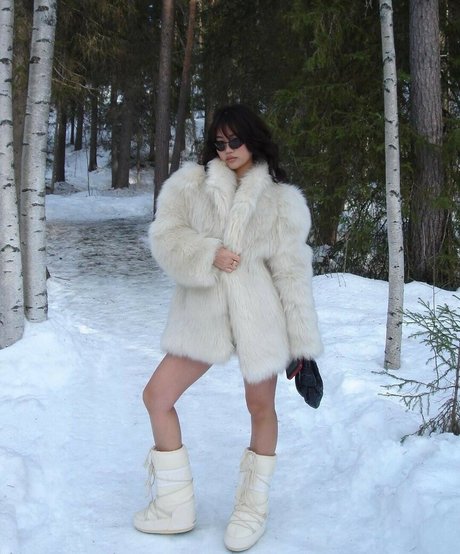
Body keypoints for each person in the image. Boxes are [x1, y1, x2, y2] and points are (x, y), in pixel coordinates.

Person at [133, 104, 323, 552]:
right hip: (204, 315)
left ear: (253, 140)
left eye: (235, 141)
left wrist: (303, 347)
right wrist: (208, 252)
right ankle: (175, 506)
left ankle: (251, 508)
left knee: (260, 407)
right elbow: (164, 236)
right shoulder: (191, 184)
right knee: (157, 396)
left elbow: (292, 274)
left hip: (261, 317)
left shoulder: (282, 202)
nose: (228, 150)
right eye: (220, 142)